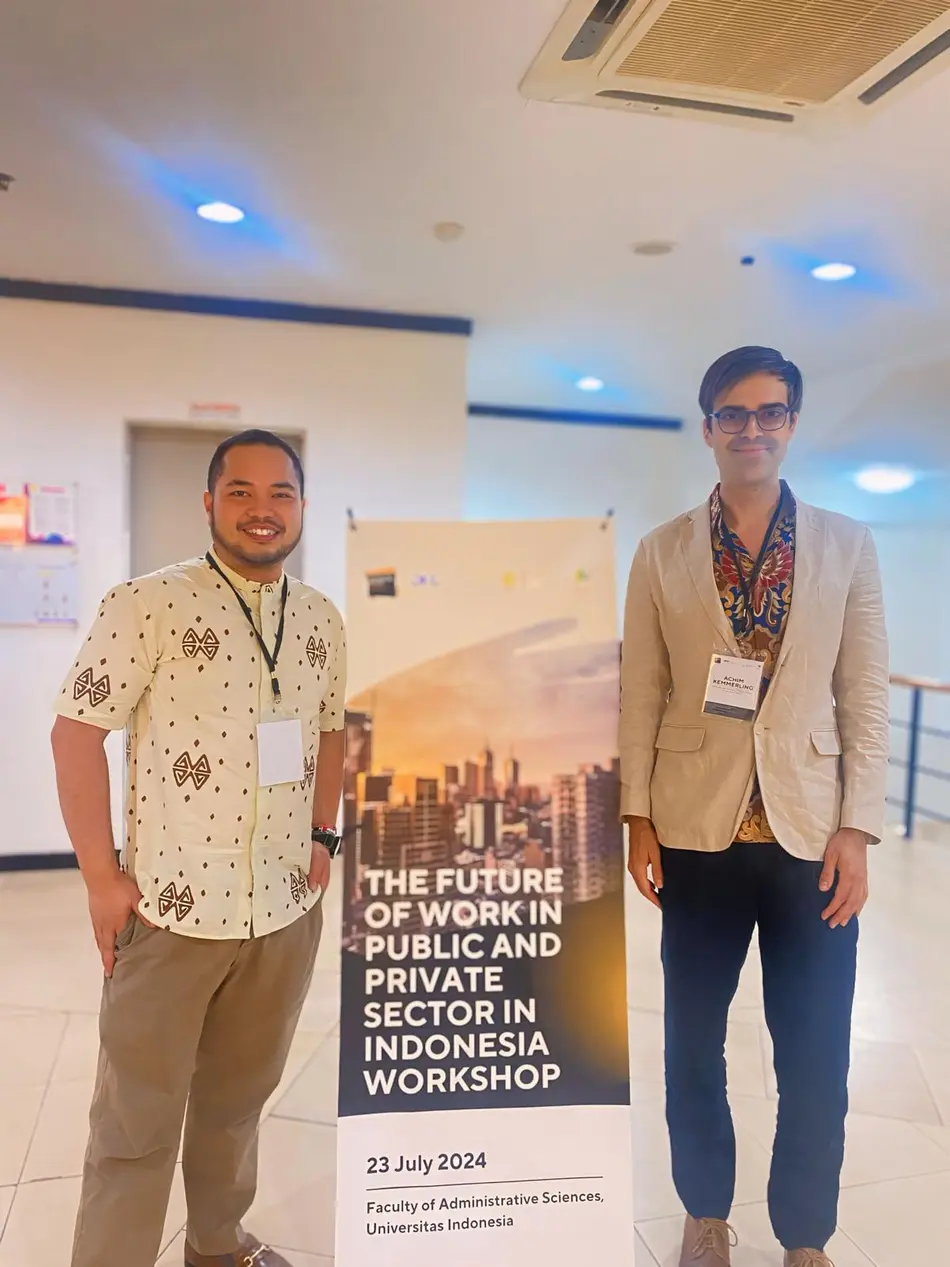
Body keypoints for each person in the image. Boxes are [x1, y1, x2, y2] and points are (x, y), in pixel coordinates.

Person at [619, 348, 889, 1267]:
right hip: (696, 827)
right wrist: (636, 813)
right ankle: (704, 1215)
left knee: (816, 1052)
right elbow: (641, 688)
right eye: (732, 413)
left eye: (771, 411)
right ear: (708, 428)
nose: (752, 428)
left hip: (812, 832)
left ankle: (806, 1236)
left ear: (792, 424)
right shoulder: (660, 550)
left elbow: (863, 694)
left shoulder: (847, 544)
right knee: (693, 1042)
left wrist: (858, 826)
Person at [51, 429, 347, 1267]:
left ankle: (218, 1247)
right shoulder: (146, 603)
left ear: (301, 506)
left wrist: (323, 834)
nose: (262, 509)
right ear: (210, 502)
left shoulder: (321, 617)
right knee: (135, 1121)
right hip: (169, 911)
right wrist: (101, 878)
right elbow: (76, 734)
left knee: (237, 1103)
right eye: (241, 491)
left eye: (280, 492)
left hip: (282, 909)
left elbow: (332, 731)